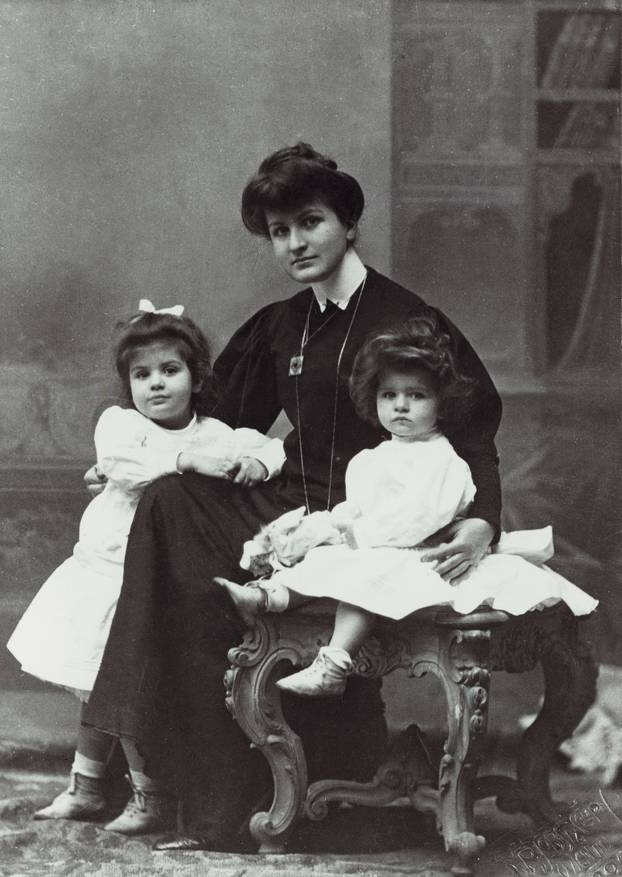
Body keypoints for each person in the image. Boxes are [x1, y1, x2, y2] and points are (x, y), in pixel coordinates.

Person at [79, 142, 505, 850]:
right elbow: (216, 419)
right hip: (287, 500)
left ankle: (297, 784)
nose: (295, 243)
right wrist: (139, 461)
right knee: (170, 501)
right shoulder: (284, 323)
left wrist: (484, 520)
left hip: (367, 516)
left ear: (348, 222)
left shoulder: (405, 316)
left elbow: (475, 432)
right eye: (280, 231)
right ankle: (194, 786)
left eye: (309, 222)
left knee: (185, 514)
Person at [7, 302, 285, 830]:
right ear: (127, 384)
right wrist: (185, 461)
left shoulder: (215, 433)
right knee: (94, 681)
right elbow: (117, 462)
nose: (155, 384)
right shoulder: (122, 426)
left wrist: (255, 462)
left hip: (153, 586)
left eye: (169, 371)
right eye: (142, 375)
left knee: (127, 682)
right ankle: (86, 785)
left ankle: (149, 794)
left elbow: (270, 447)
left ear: (197, 377)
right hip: (103, 573)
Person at [217, 315, 598, 697]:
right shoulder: (374, 457)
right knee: (321, 560)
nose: (401, 406)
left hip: (419, 552)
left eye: (416, 396)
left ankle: (334, 663)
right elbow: (357, 508)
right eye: (389, 396)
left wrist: (357, 535)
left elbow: (418, 519)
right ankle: (266, 597)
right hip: (379, 544)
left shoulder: (442, 460)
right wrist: (324, 529)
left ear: (441, 402)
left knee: (368, 576)